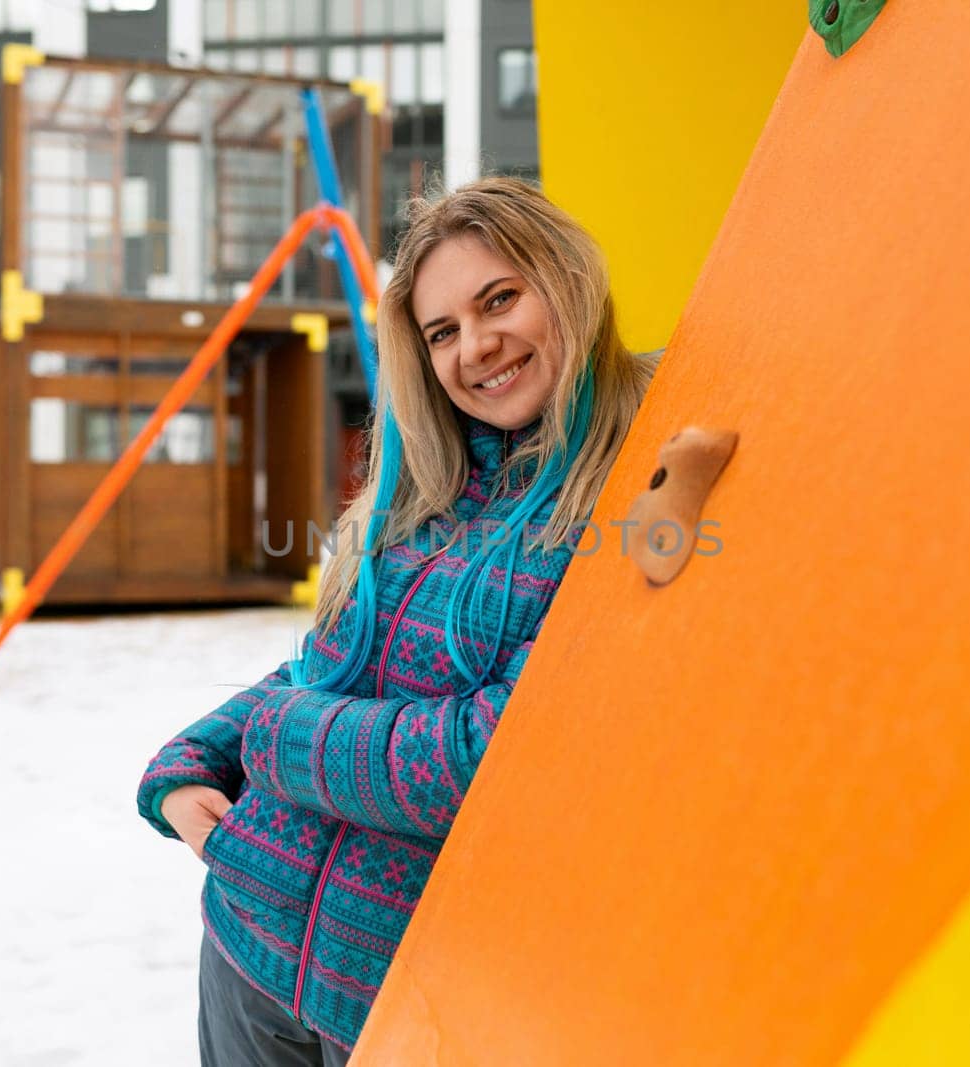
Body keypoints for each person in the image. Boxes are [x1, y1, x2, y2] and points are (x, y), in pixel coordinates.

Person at [135, 176, 658, 1065]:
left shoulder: (627, 497)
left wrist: (277, 741)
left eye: (501, 298)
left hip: (408, 996)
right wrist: (185, 763)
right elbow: (324, 666)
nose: (477, 348)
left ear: (565, 280)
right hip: (245, 937)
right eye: (442, 331)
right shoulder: (419, 493)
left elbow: (486, 760)